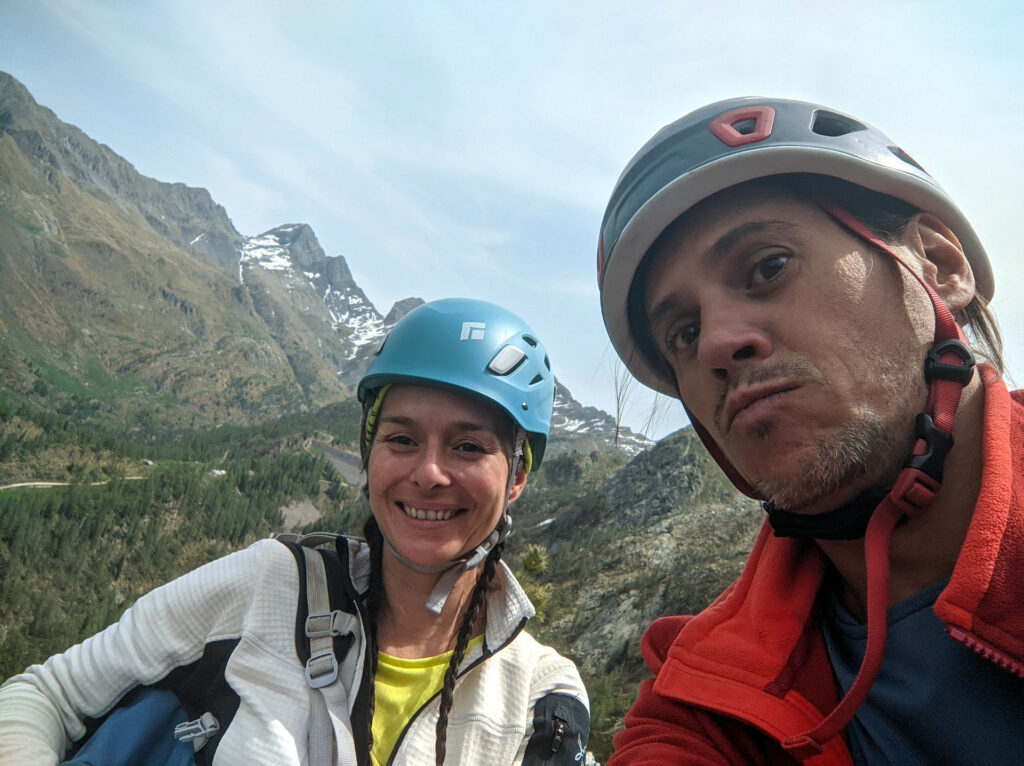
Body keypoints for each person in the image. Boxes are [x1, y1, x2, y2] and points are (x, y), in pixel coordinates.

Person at [596, 97, 1023, 763]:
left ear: (939, 264)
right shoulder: (696, 701)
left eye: (768, 267)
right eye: (683, 331)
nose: (716, 345)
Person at [0, 298, 590, 766]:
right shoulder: (268, 585)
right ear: (369, 454)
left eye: (468, 446)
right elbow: (46, 694)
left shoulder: (539, 696)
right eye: (401, 439)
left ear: (516, 478)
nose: (428, 473)